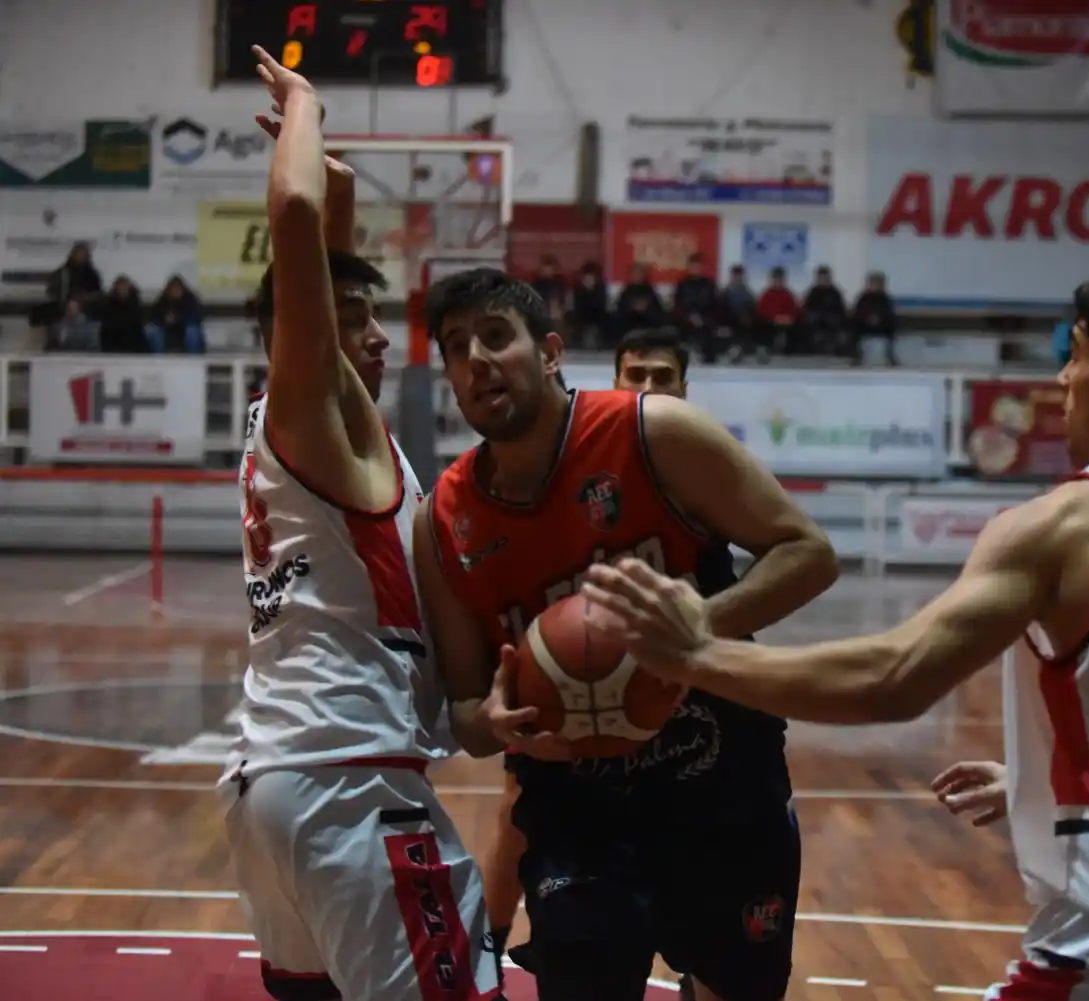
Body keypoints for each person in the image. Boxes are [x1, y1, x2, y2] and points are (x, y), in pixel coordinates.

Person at [584, 274, 1089, 1000]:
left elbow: (891, 679)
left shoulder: (1070, 521)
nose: (1061, 379)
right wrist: (1038, 783)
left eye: (1076, 356)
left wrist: (696, 654)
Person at [411, 268, 840, 1001]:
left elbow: (809, 553)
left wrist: (691, 630)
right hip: (577, 805)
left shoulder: (653, 432)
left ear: (550, 352)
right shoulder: (443, 521)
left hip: (721, 776)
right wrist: (496, 720)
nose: (477, 358)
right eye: (457, 347)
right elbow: (468, 713)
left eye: (496, 336)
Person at [220, 47, 497, 1001]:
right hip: (348, 779)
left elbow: (317, 242)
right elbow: (293, 220)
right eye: (354, 319)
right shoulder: (312, 413)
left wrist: (337, 192)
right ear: (302, 337)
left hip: (276, 779)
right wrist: (304, 106)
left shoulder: (303, 430)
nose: (379, 335)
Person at [476, 325, 696, 995]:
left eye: (663, 377)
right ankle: (485, 946)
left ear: (685, 389)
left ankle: (694, 953)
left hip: (672, 686)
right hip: (572, 671)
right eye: (637, 375)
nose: (649, 388)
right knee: (519, 801)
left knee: (690, 829)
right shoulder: (582, 459)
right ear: (614, 381)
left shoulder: (697, 465)